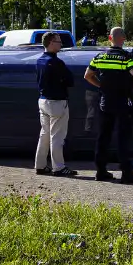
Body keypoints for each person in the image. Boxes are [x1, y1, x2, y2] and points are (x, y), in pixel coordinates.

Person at [84, 26, 133, 184]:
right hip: (123, 102)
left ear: (109, 38)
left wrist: (101, 86)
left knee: (103, 137)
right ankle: (126, 173)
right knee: (123, 138)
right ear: (123, 39)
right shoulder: (127, 57)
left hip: (105, 102)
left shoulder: (99, 57)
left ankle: (101, 171)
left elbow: (87, 75)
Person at [35, 31, 77, 177]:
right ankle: (58, 167)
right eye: (58, 42)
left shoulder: (40, 60)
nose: (61, 44)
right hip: (57, 102)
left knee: (44, 134)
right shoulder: (56, 62)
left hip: (43, 100)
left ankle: (40, 165)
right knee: (57, 136)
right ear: (51, 43)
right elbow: (70, 80)